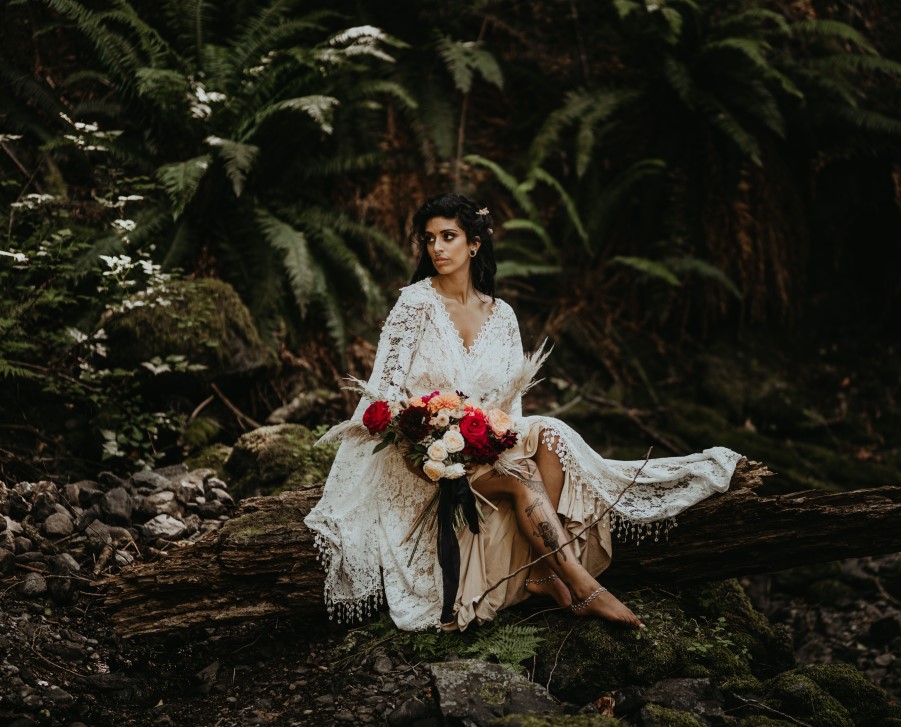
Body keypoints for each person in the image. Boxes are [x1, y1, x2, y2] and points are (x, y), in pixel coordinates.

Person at [304, 192, 742, 632]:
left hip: (483, 448)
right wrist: (432, 445)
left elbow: (511, 411)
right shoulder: (414, 305)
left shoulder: (503, 316)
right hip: (426, 465)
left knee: (548, 435)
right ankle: (581, 584)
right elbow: (385, 398)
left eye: (448, 236)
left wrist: (488, 438)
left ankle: (541, 571)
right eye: (429, 238)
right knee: (522, 474)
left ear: (474, 244)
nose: (436, 247)